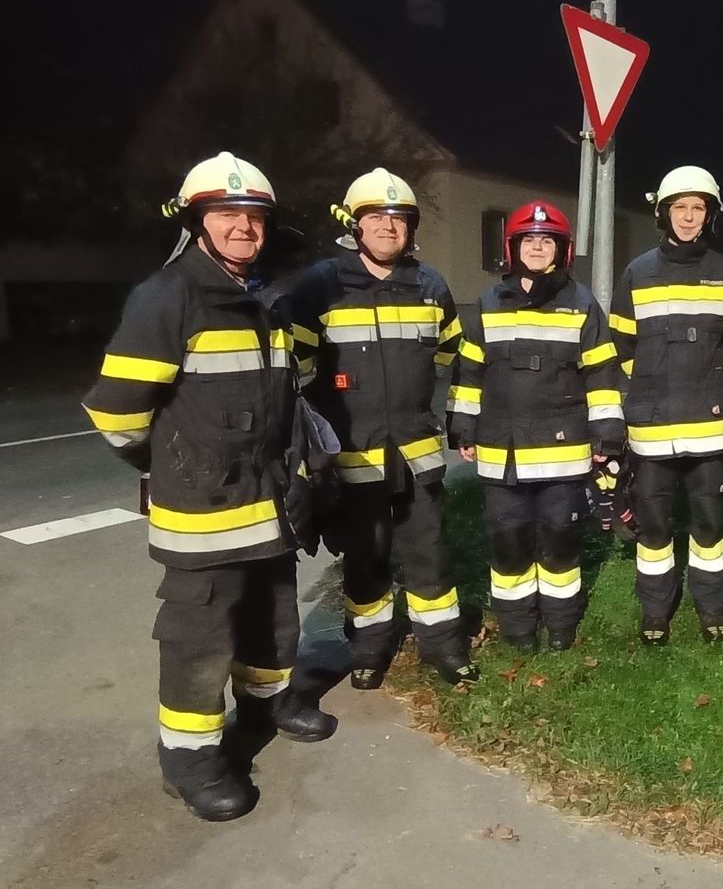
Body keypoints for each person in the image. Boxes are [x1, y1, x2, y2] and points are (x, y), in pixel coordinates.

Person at [82, 152, 336, 822]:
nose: (241, 227)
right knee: (199, 637)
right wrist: (170, 462)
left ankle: (267, 702)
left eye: (252, 216)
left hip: (269, 504)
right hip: (202, 513)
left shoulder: (264, 298)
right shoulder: (167, 297)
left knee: (273, 614)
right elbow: (115, 413)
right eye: (226, 215)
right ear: (198, 221)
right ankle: (189, 756)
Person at [290, 168, 476, 688]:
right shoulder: (320, 286)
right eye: (377, 217)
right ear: (355, 225)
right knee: (365, 558)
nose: (389, 228)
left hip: (416, 454)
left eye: (399, 219)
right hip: (352, 457)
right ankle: (370, 648)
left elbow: (449, 355)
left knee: (429, 555)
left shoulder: (430, 285)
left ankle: (444, 647)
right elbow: (294, 368)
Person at [447, 201, 623, 651]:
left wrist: (607, 433)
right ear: (514, 248)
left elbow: (601, 375)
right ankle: (519, 628)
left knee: (560, 538)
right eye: (529, 240)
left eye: (547, 241)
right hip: (500, 451)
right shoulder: (488, 303)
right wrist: (463, 425)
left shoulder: (582, 304)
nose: (538, 247)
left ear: (562, 250)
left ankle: (561, 623)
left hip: (562, 450)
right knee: (508, 541)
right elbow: (470, 373)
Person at [608, 166, 723, 645]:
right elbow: (622, 347)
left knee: (710, 523)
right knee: (653, 526)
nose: (689, 216)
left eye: (698, 208)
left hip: (711, 427)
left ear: (709, 215)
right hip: (651, 428)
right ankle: (655, 612)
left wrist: (702, 383)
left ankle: (712, 610)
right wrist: (652, 387)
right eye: (680, 207)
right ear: (663, 213)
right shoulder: (637, 272)